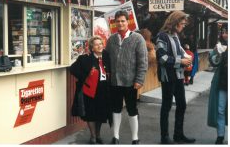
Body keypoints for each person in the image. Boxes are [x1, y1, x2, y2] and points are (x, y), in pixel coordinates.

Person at [105, 10, 148, 144]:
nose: (120, 23)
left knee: (132, 109)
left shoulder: (137, 38)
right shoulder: (111, 39)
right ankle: (115, 137)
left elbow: (143, 61)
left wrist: (139, 80)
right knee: (116, 109)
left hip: (131, 82)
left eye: (123, 21)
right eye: (118, 21)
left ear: (128, 21)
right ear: (114, 23)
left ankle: (135, 138)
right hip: (115, 82)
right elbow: (106, 59)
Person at [155, 10, 196, 144]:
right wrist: (181, 61)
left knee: (182, 105)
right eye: (182, 23)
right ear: (176, 22)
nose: (183, 26)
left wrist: (187, 57)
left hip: (178, 76)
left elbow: (179, 51)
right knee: (166, 106)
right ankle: (164, 137)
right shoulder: (162, 36)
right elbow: (162, 58)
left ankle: (178, 135)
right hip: (168, 77)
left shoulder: (175, 35)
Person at [70, 36, 112, 144]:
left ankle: (98, 135)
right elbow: (73, 69)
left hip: (104, 89)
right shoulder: (85, 58)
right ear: (92, 48)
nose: (99, 46)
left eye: (101, 44)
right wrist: (85, 76)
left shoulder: (106, 56)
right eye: (96, 44)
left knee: (101, 114)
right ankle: (93, 136)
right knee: (90, 113)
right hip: (90, 90)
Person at [207, 24, 228, 144]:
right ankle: (220, 136)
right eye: (223, 32)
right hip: (222, 81)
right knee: (220, 109)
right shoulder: (220, 46)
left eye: (227, 32)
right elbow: (213, 63)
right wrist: (218, 53)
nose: (224, 34)